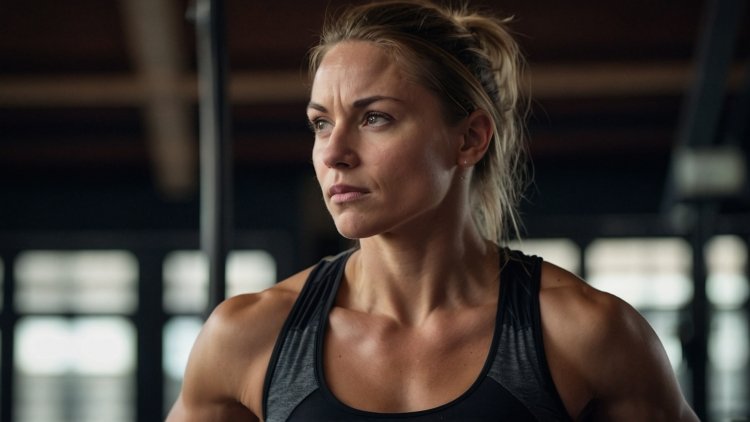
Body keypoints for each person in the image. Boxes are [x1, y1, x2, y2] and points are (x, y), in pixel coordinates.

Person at [166, 1, 699, 420]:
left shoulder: (586, 333)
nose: (333, 152)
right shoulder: (249, 336)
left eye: (374, 118)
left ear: (468, 139)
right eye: (321, 122)